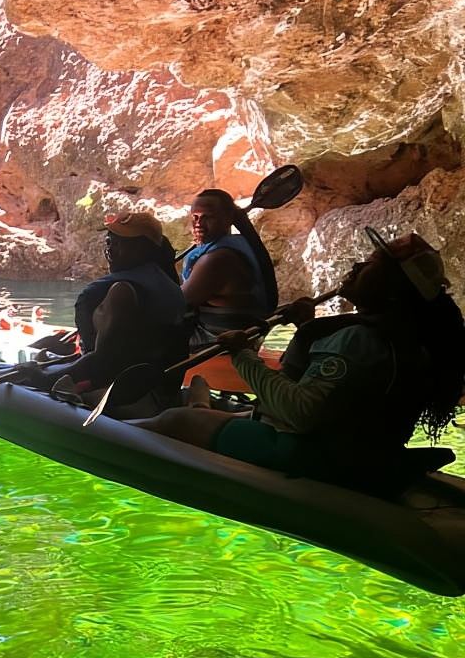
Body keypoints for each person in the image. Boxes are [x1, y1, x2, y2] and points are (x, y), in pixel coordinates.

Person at [133, 229, 465, 494]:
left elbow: (301, 413)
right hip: (360, 451)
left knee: (175, 421)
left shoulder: (361, 339)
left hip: (319, 458)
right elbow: (347, 391)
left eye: (370, 265)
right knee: (226, 413)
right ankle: (201, 407)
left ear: (391, 291)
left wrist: (243, 354)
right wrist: (306, 326)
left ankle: (123, 428)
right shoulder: (405, 341)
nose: (357, 266)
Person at [33, 212, 187, 402]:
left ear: (142, 249)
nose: (110, 251)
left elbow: (103, 361)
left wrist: (41, 380)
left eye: (119, 244)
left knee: (34, 373)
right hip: (155, 388)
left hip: (121, 393)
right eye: (109, 243)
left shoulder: (123, 291)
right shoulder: (168, 286)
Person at [181, 188, 279, 347]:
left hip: (215, 344)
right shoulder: (238, 244)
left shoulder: (217, 259)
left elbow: (177, 303)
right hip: (235, 335)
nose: (198, 223)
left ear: (227, 219)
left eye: (208, 217)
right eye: (195, 217)